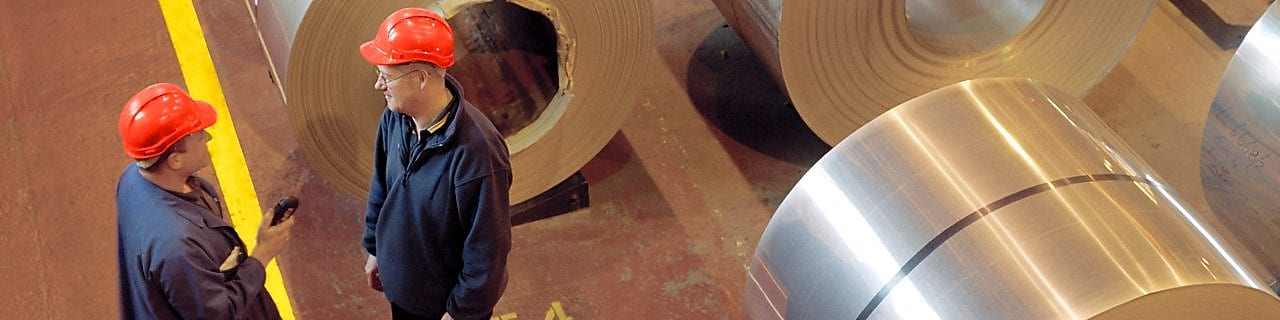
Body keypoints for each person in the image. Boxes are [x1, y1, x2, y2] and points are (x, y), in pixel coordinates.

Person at [359, 7, 513, 320]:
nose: (378, 86)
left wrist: (460, 312)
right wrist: (375, 248)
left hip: (442, 307)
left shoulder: (477, 155)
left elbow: (487, 251)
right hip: (403, 289)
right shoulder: (394, 118)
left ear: (420, 78)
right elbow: (382, 187)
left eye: (386, 77)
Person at [115, 83, 295, 319]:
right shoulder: (178, 246)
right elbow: (216, 314)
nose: (207, 137)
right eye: (198, 137)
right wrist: (262, 254)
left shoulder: (132, 179)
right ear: (175, 160)